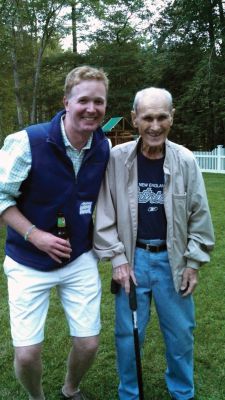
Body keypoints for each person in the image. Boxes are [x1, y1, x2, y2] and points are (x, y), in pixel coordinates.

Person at [93, 87, 215, 400]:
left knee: (180, 335)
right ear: (134, 119)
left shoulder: (185, 160)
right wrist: (118, 259)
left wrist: (193, 262)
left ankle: (182, 392)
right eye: (147, 117)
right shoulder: (117, 159)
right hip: (131, 261)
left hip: (172, 261)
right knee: (128, 336)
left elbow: (199, 216)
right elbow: (105, 214)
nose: (155, 125)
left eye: (162, 117)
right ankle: (129, 394)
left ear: (172, 117)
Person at [0, 65, 110, 400]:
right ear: (66, 101)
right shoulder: (27, 142)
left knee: (89, 343)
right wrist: (35, 234)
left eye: (99, 102)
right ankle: (37, 397)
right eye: (83, 100)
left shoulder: (102, 147)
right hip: (28, 260)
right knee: (27, 354)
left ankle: (70, 389)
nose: (91, 109)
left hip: (78, 259)